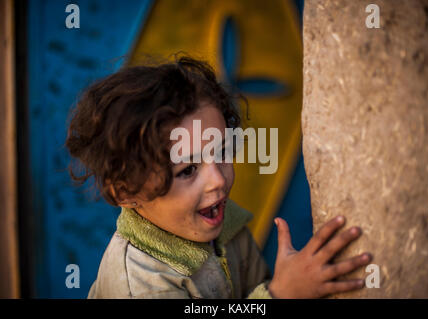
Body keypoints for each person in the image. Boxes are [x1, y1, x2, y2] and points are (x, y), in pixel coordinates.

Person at [65, 54, 372, 299]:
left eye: (222, 151)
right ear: (125, 191)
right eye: (187, 170)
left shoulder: (226, 225)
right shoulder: (140, 287)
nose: (219, 180)